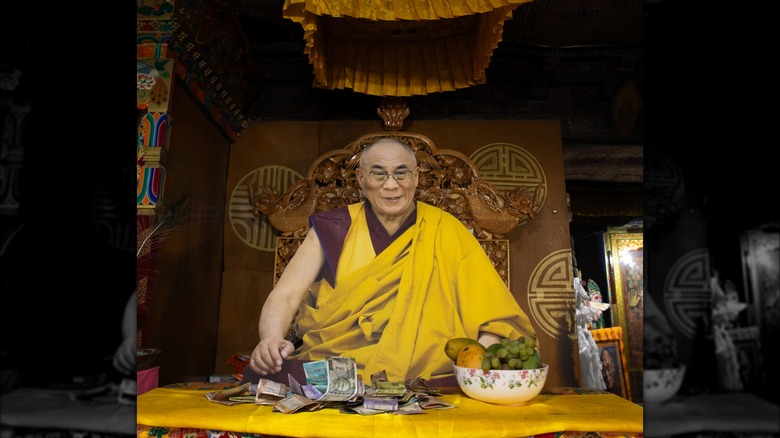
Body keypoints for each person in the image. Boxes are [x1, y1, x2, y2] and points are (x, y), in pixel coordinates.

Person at [249, 138, 537, 382]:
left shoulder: (446, 230)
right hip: (338, 371)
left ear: (416, 177)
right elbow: (286, 295)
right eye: (378, 174)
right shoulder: (334, 227)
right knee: (269, 375)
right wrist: (270, 340)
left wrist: (475, 366)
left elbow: (494, 317)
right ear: (361, 179)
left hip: (429, 377)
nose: (391, 185)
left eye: (401, 173)